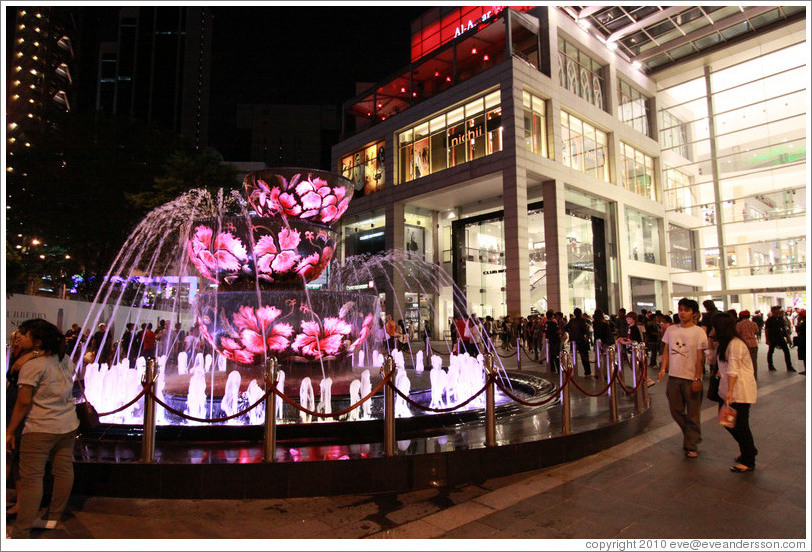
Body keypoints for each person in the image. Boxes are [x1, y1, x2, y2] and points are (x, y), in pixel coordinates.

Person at [6, 318, 80, 538]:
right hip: (67, 425)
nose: (19, 336)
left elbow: (23, 402)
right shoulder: (65, 359)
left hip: (39, 428)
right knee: (64, 470)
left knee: (31, 479)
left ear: (36, 341)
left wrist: (10, 431)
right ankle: (52, 517)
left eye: (24, 333)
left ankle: (20, 532)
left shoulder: (32, 366)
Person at [658, 298, 708, 458]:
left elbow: (700, 358)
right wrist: (663, 368)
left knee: (693, 412)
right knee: (675, 410)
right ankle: (692, 434)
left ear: (694, 313)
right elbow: (666, 350)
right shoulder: (671, 330)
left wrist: (698, 378)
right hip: (674, 377)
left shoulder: (699, 332)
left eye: (686, 310)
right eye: (680, 309)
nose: (682, 313)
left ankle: (691, 445)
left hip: (691, 378)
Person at [712, 312, 758, 472]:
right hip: (729, 390)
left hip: (740, 391)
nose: (712, 330)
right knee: (727, 422)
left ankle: (748, 459)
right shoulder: (725, 343)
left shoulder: (736, 344)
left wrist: (730, 392)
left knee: (740, 425)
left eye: (714, 327)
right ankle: (749, 450)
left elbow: (733, 369)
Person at [765, 306, 794, 372]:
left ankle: (789, 366)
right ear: (773, 311)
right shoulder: (769, 320)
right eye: (776, 310)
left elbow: (783, 329)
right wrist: (767, 339)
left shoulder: (780, 319)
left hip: (780, 337)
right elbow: (767, 330)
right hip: (772, 337)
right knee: (771, 351)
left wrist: (787, 338)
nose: (778, 311)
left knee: (786, 351)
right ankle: (770, 365)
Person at [566, 308, 591, 376]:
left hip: (573, 340)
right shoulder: (582, 321)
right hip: (581, 340)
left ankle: (575, 371)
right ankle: (587, 371)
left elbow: (566, 327)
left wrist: (571, 332)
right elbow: (584, 330)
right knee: (584, 356)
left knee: (575, 355)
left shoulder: (572, 321)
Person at [735, 311, 759, 379]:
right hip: (753, 344)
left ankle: (746, 376)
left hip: (744, 344)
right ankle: (754, 376)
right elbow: (757, 331)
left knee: (744, 362)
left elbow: (737, 333)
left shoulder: (739, 324)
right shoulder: (753, 323)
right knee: (754, 361)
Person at [795, 310, 806, 375]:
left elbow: (799, 330)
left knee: (805, 356)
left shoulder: (803, 324)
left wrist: (798, 322)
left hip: (804, 342)